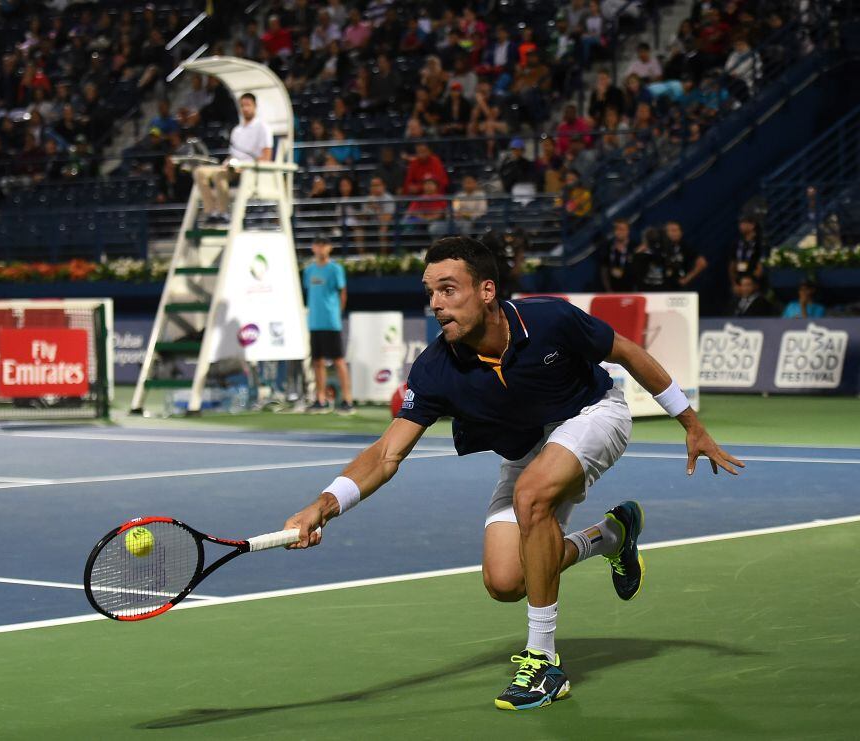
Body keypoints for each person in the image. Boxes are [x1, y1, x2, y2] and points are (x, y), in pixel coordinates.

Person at [282, 236, 743, 711]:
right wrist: (324, 505)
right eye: (430, 293)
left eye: (448, 289)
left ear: (486, 291)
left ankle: (544, 663)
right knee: (506, 581)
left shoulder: (548, 319)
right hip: (526, 446)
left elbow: (624, 351)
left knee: (531, 497)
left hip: (592, 415)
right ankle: (610, 536)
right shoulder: (436, 368)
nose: (437, 305)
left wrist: (690, 423)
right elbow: (385, 455)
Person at [193, 92, 272, 224]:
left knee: (220, 175)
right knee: (199, 171)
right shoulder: (237, 130)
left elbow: (267, 157)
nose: (245, 108)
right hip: (232, 167)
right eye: (242, 105)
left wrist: (247, 166)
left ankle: (223, 212)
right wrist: (226, 162)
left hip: (249, 169)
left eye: (248, 105)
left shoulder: (263, 127)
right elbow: (232, 154)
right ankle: (211, 211)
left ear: (255, 106)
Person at [303, 236, 354, 415]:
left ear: (329, 248)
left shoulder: (335, 269)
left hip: (331, 322)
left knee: (339, 361)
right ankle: (321, 399)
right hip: (314, 322)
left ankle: (347, 400)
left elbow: (343, 293)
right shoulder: (309, 271)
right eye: (317, 244)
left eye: (324, 245)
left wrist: (336, 313)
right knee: (317, 362)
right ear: (313, 247)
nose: (320, 248)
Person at [664, 221, 708, 290]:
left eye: (676, 230)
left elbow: (702, 263)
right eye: (671, 231)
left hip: (679, 288)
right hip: (660, 288)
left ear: (681, 233)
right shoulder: (658, 247)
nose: (673, 233)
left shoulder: (685, 248)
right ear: (665, 233)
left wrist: (687, 279)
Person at [599, 218, 635, 292]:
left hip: (631, 293)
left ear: (628, 231)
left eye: (622, 229)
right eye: (617, 229)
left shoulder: (634, 248)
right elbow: (604, 271)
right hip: (611, 293)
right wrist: (608, 290)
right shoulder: (608, 248)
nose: (619, 232)